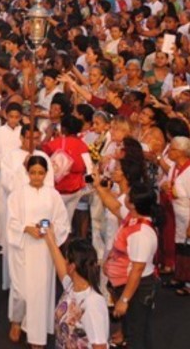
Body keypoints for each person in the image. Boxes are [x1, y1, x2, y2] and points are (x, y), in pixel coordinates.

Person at [7, 155, 70, 348]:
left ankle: (37, 336)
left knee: (40, 293)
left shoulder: (53, 195)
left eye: (40, 173)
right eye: (33, 172)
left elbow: (62, 222)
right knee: (21, 292)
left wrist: (49, 230)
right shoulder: (17, 194)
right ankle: (17, 320)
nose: (36, 177)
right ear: (27, 173)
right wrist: (26, 228)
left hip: (44, 250)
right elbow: (11, 221)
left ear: (46, 174)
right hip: (23, 247)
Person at [104, 183, 159, 349]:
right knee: (132, 329)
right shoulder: (132, 217)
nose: (123, 197)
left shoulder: (141, 233)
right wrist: (100, 188)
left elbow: (137, 270)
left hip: (137, 289)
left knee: (137, 333)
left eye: (127, 195)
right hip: (126, 285)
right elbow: (114, 206)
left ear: (133, 203)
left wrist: (124, 300)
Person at [42, 232, 109, 349]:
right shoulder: (72, 287)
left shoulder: (92, 304)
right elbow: (61, 268)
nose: (64, 261)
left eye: (66, 259)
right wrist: (49, 238)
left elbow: (100, 346)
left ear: (72, 267)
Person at [160, 136, 190, 296]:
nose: (169, 152)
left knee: (188, 248)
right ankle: (180, 276)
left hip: (187, 215)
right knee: (181, 246)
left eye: (172, 149)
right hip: (177, 212)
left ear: (181, 152)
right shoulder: (174, 167)